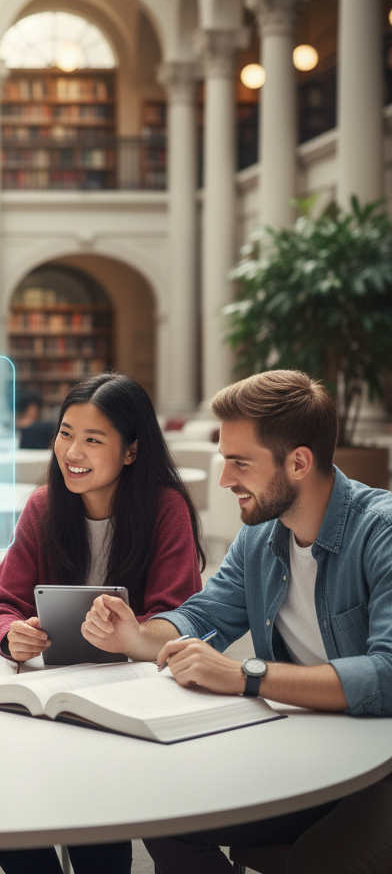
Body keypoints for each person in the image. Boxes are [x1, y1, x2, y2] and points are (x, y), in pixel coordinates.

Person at [80, 370, 392, 873]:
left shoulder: (382, 532)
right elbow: (205, 615)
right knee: (164, 814)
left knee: (315, 861)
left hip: (382, 768)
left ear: (298, 462)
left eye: (239, 463)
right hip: (311, 752)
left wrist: (247, 675)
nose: (225, 480)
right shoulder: (261, 535)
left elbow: (387, 674)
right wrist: (137, 637)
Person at [0, 371, 206, 874]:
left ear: (130, 451)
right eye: (65, 434)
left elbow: (179, 615)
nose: (72, 453)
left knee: (93, 811)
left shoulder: (165, 509)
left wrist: (130, 632)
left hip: (133, 697)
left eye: (93, 440)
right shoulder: (43, 507)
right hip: (55, 691)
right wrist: (9, 635)